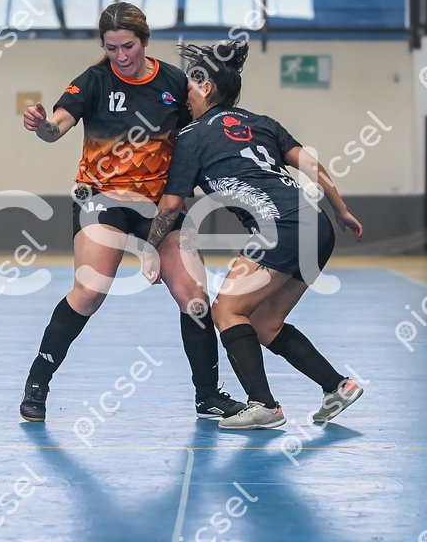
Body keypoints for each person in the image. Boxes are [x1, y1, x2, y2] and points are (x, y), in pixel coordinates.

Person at [19, 2, 245, 423]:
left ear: (145, 40)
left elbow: (201, 129)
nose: (120, 56)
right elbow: (57, 127)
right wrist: (41, 125)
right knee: (89, 292)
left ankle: (208, 395)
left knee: (195, 298)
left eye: (128, 46)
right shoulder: (94, 80)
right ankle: (37, 383)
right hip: (101, 198)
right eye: (111, 48)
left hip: (159, 205)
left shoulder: (173, 82)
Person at [142, 40, 365, 430]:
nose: (185, 96)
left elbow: (171, 205)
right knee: (264, 324)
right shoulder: (262, 123)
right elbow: (310, 163)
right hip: (316, 225)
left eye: (190, 87)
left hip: (280, 228)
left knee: (225, 311)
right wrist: (340, 209)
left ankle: (264, 405)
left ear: (206, 87)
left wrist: (149, 248)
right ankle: (337, 386)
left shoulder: (191, 136)